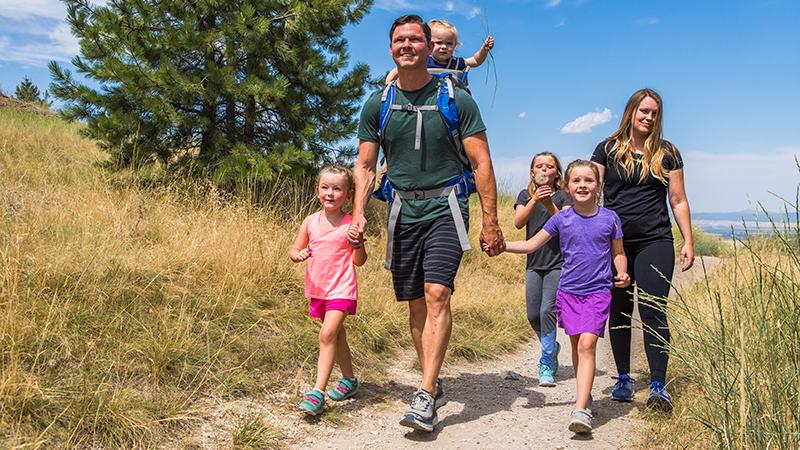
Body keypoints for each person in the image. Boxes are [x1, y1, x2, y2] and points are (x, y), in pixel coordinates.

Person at [350, 14, 505, 432]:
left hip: (446, 208)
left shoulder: (456, 97)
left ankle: (424, 391)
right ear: (391, 48)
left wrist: (491, 220)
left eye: (414, 39)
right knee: (416, 302)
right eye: (399, 40)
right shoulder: (377, 103)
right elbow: (365, 166)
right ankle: (430, 380)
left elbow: (482, 161)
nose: (407, 46)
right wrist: (360, 211)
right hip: (402, 212)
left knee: (437, 292)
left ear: (426, 44)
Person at [493, 159, 630, 434]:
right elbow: (532, 243)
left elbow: (618, 252)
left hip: (598, 292)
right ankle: (584, 392)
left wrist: (623, 272)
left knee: (587, 345)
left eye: (588, 181)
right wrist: (503, 245)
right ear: (567, 186)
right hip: (569, 292)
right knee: (578, 346)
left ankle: (581, 409)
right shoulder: (561, 218)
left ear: (598, 186)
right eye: (576, 181)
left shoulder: (610, 218)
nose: (582, 185)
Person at [590, 88, 694, 412]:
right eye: (643, 111)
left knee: (652, 309)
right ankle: (623, 377)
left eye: (654, 113)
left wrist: (687, 240)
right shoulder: (606, 149)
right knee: (619, 308)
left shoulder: (667, 153)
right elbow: (592, 194)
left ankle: (658, 385)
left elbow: (677, 199)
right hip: (616, 244)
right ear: (631, 112)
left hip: (656, 241)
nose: (648, 117)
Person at [289, 166, 367, 416]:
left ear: (348, 194)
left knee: (327, 334)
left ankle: (317, 392)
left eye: (337, 189)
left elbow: (359, 261)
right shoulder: (310, 221)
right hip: (318, 288)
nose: (330, 193)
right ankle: (349, 380)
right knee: (336, 336)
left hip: (342, 289)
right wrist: (299, 255)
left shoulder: (350, 225)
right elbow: (294, 250)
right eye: (325, 187)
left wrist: (359, 244)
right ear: (317, 191)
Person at [513, 152, 569, 387]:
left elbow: (567, 225)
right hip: (534, 261)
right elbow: (518, 222)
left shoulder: (565, 196)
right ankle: (552, 346)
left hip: (558, 261)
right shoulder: (525, 195)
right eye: (539, 166)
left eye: (550, 166)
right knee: (532, 314)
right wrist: (535, 199)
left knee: (547, 310)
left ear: (557, 172)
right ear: (532, 172)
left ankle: (546, 363)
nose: (544, 170)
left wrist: (549, 202)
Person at [384, 18, 494, 85]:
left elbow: (475, 61)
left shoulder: (455, 63)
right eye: (439, 42)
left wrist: (484, 50)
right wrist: (388, 85)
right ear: (429, 45)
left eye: (449, 43)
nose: (444, 47)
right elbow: (397, 71)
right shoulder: (424, 61)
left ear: (455, 46)